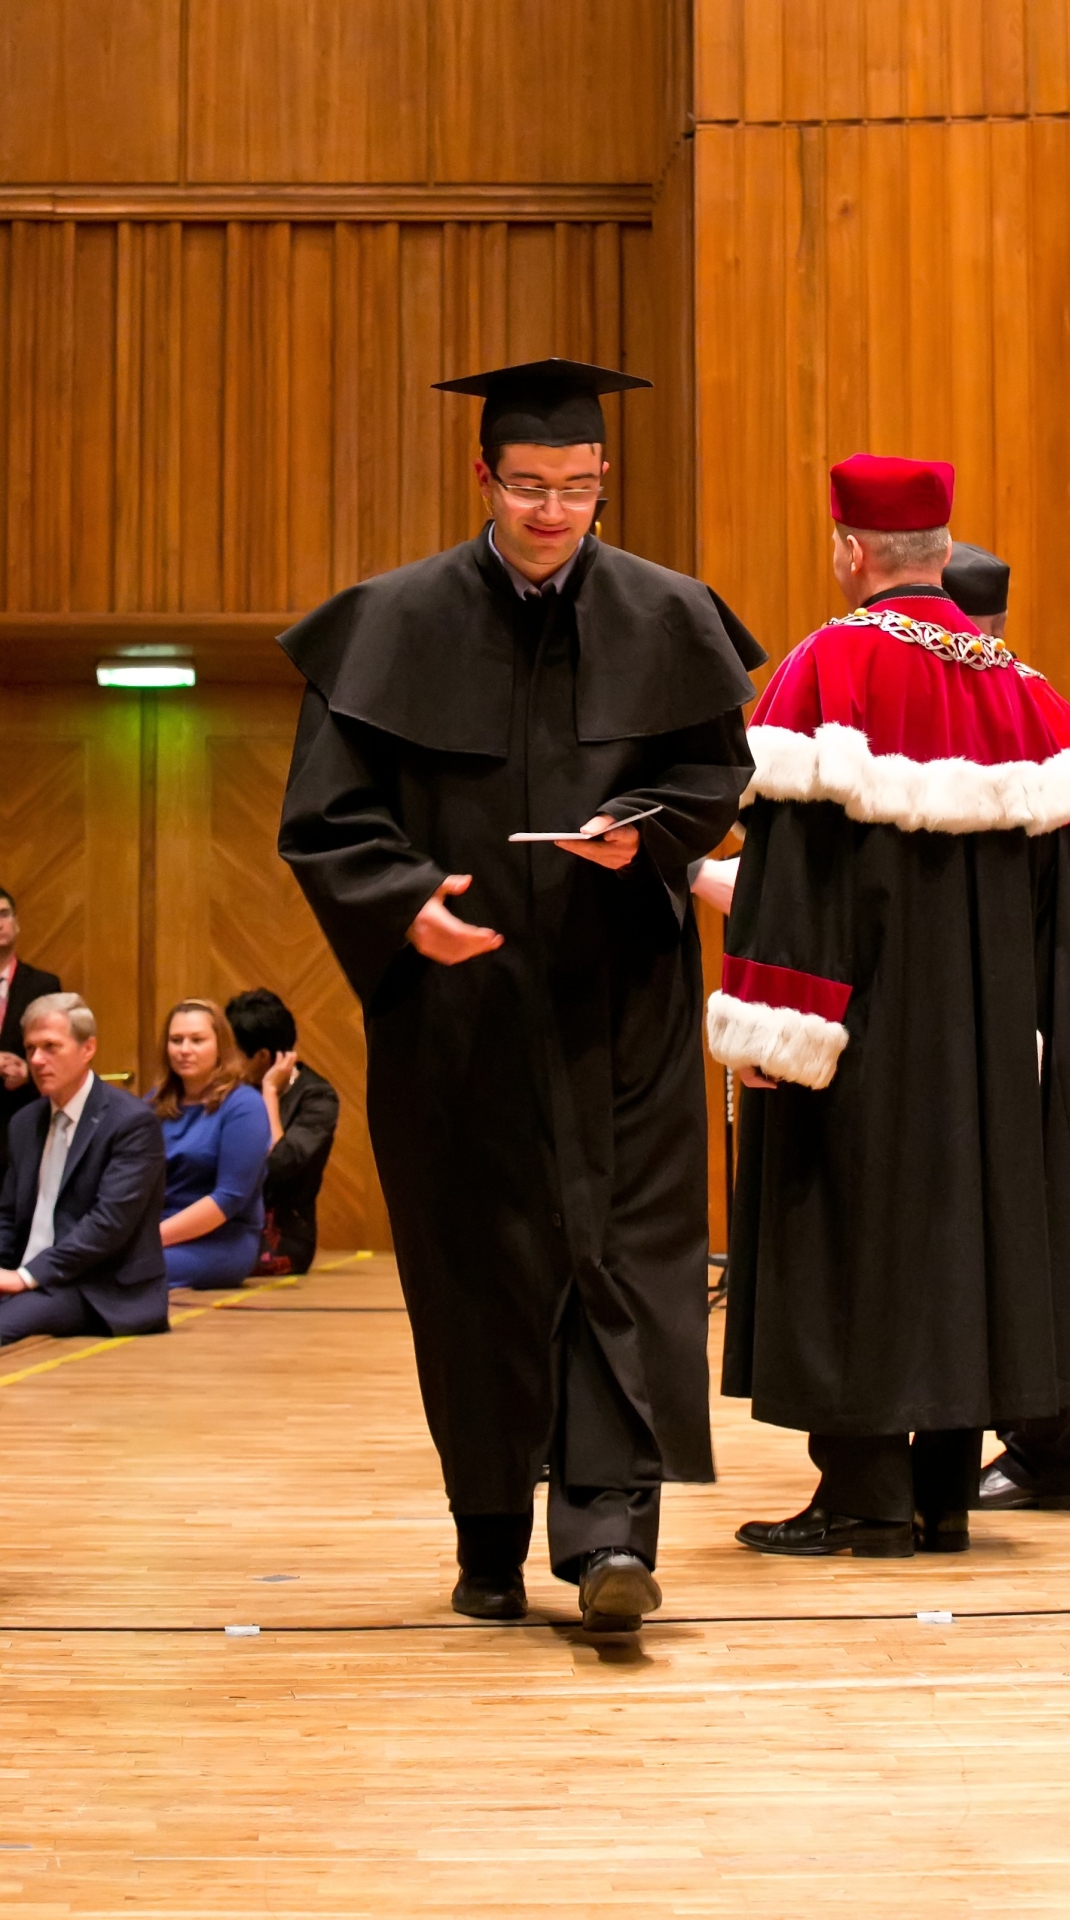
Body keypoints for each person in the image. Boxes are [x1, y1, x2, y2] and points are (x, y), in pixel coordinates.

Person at [278, 356, 763, 1632]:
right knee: (476, 1268)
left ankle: (609, 1539)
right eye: (530, 486)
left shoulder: (666, 613)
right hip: (460, 1009)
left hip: (622, 1001)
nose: (554, 512)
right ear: (482, 476)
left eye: (579, 487)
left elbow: (710, 776)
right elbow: (326, 816)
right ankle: (487, 1532)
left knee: (626, 1258)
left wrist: (645, 831)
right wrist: (401, 904)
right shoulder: (390, 621)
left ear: (604, 481)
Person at [708, 452, 1070, 1559]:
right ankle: (938, 1499)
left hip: (862, 1032)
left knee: (854, 1247)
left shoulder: (826, 670)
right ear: (937, 549)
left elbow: (794, 877)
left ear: (850, 551)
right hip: (988, 1050)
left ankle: (861, 1497)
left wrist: (771, 1027)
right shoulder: (1025, 693)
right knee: (962, 1253)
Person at [942, 542, 1070, 1512]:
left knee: (1029, 1226)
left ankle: (1052, 1447)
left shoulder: (998, 707)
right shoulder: (1034, 703)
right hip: (1042, 1002)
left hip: (1022, 1014)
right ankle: (1053, 1443)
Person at [0, 993, 167, 1341]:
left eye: (50, 1047)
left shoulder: (131, 1122)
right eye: (30, 1049)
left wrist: (27, 1276)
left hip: (97, 1286)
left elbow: (109, 1224)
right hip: (28, 1274)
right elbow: (8, 1215)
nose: (37, 1060)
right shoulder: (24, 1122)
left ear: (88, 1048)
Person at [152, 998, 271, 1291]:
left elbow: (229, 1198)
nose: (184, 1049)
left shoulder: (244, 1105)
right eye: (176, 1040)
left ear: (220, 1046)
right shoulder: (154, 1103)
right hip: (154, 1232)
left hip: (220, 1241)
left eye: (197, 1040)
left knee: (123, 1270)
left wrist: (149, 1239)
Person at [225, 989, 339, 1275]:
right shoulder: (229, 1086)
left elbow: (279, 1165)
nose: (224, 1061)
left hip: (282, 1235)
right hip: (226, 1217)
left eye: (232, 1052)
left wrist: (270, 1093)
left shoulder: (318, 1098)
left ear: (262, 1057)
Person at [0, 885, 61, 1173]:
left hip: (23, 1121)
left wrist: (28, 1071)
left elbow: (58, 1051)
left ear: (17, 923)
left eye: (4, 914)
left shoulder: (43, 985)